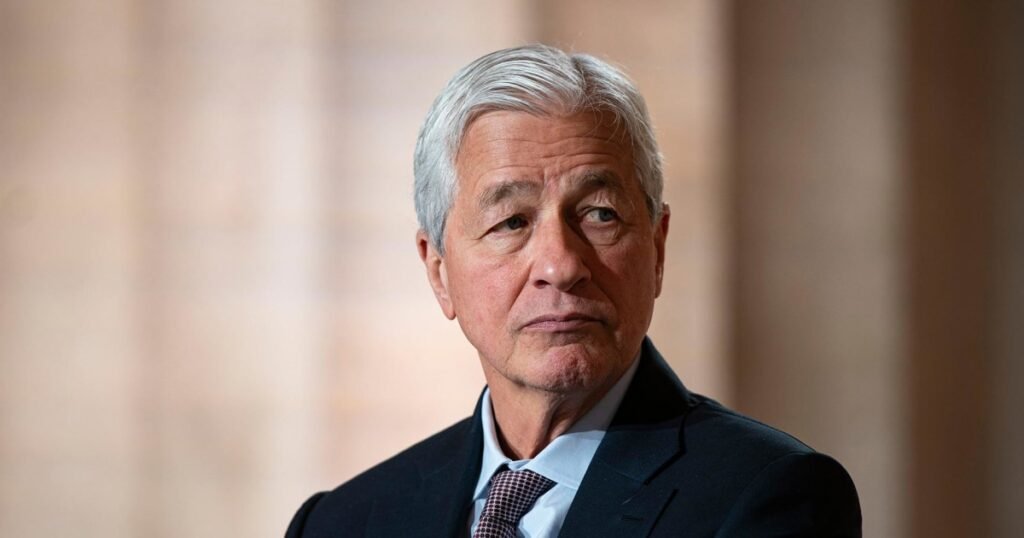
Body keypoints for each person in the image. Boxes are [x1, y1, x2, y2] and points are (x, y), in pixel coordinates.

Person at [286, 44, 861, 537]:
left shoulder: (769, 496)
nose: (560, 266)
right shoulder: (343, 522)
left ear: (657, 248)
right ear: (439, 271)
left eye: (600, 214)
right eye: (512, 222)